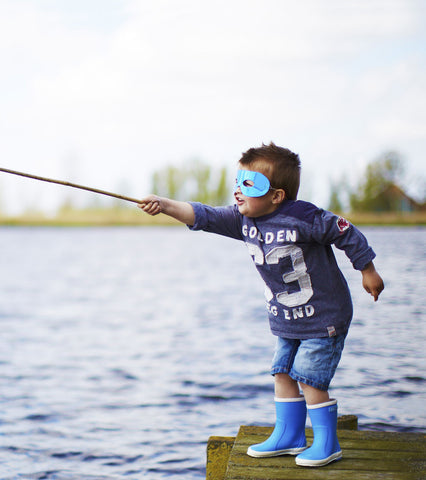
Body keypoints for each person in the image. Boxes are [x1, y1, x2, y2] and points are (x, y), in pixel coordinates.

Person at [138, 142, 384, 468]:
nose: (238, 192)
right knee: (282, 372)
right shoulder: (243, 220)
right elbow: (202, 214)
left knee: (310, 378)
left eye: (249, 185)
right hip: (287, 319)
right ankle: (289, 435)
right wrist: (164, 204)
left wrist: (367, 270)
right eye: (237, 182)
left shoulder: (305, 217)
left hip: (324, 316)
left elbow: (346, 231)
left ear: (277, 195)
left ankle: (327, 442)